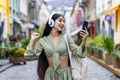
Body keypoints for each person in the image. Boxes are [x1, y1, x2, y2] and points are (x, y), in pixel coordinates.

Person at [25, 13, 89, 80]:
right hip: (50, 75)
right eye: (60, 20)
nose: (62, 23)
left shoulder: (66, 37)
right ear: (51, 22)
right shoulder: (43, 41)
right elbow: (29, 56)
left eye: (64, 21)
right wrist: (32, 40)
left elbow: (78, 52)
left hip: (66, 75)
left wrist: (84, 40)